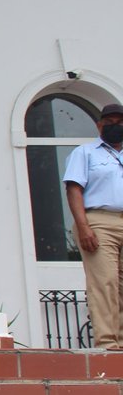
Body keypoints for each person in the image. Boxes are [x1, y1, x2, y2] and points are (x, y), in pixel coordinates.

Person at [63, 102, 123, 349]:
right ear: (99, 125)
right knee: (104, 280)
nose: (115, 127)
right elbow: (74, 189)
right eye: (109, 123)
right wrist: (83, 225)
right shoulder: (85, 153)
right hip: (99, 221)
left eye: (120, 123)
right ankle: (109, 342)